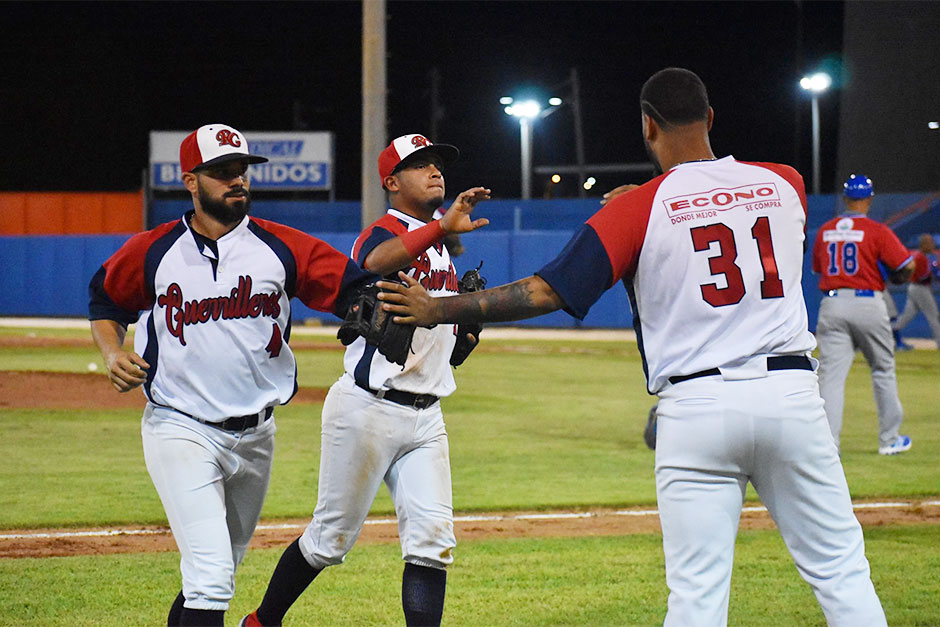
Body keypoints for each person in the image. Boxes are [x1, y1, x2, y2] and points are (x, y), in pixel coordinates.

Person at [379, 68, 888, 626]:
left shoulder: (635, 210)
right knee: (841, 573)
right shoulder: (785, 182)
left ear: (648, 126)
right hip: (790, 394)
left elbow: (545, 291)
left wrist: (438, 308)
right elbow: (723, 207)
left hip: (696, 408)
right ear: (710, 118)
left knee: (696, 597)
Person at [88, 123, 375, 627]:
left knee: (214, 574)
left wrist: (389, 307)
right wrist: (112, 351)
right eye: (222, 172)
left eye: (241, 170)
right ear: (191, 181)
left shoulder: (281, 247)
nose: (236, 180)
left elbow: (356, 288)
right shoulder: (155, 250)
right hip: (181, 427)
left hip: (257, 435)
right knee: (213, 577)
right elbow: (105, 298)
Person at [241, 134, 490, 627]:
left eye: (438, 163)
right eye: (420, 165)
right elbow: (373, 263)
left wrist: (458, 334)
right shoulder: (381, 233)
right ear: (391, 182)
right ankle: (262, 622)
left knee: (432, 543)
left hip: (427, 417)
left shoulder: (440, 248)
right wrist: (441, 226)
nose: (435, 171)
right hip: (367, 410)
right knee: (328, 542)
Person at [811, 174, 915, 455]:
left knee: (830, 378)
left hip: (832, 304)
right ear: (869, 199)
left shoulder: (826, 230)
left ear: (846, 199)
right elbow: (906, 266)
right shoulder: (876, 230)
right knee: (882, 370)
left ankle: (828, 446)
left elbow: (819, 268)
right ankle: (889, 440)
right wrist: (892, 276)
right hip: (868, 302)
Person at [892, 233, 940, 348]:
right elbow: (923, 277)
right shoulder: (920, 257)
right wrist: (935, 272)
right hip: (920, 288)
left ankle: (885, 332)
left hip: (914, 288)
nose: (932, 245)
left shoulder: (919, 255)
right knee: (933, 316)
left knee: (906, 317)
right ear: (923, 244)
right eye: (929, 243)